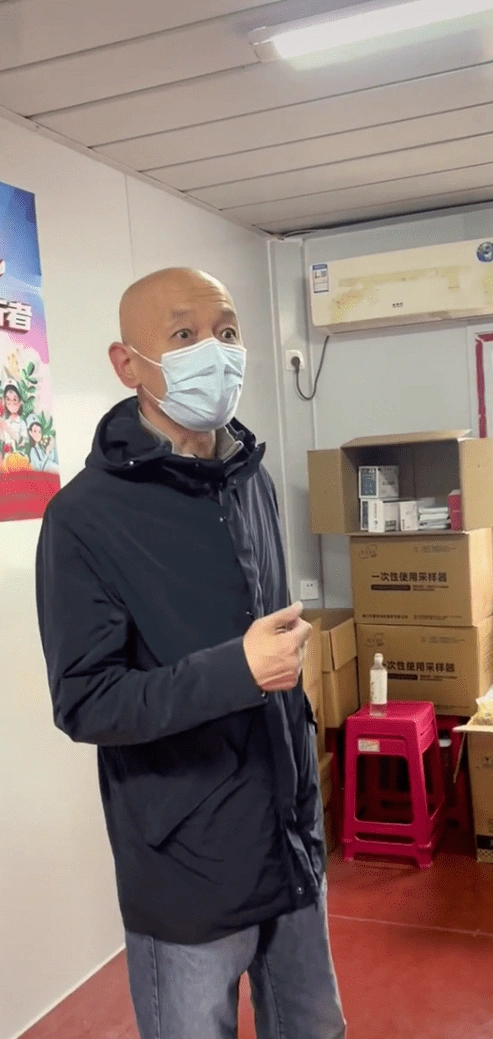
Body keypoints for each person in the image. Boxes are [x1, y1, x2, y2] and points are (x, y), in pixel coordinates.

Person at [36, 268, 345, 1039]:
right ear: (127, 364)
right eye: (184, 334)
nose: (217, 350)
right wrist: (236, 670)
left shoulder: (251, 478)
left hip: (289, 841)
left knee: (314, 1028)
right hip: (185, 867)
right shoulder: (83, 518)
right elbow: (87, 700)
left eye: (227, 331)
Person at [2, 382, 29, 456]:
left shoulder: (22, 423)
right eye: (8, 399)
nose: (11, 403)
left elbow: (23, 441)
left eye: (14, 399)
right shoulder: (5, 422)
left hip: (19, 455)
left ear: (20, 402)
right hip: (7, 456)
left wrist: (19, 445)